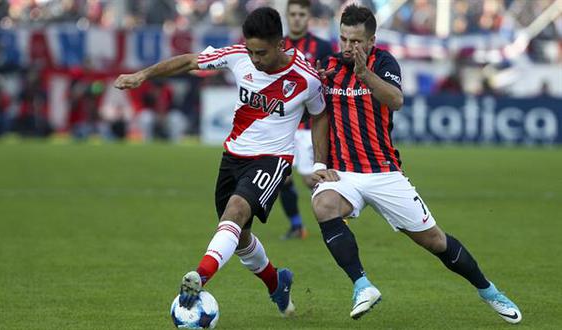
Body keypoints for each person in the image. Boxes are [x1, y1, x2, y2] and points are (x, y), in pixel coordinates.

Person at [310, 4, 522, 324]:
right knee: (323, 205)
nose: (348, 47)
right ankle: (362, 286)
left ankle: (489, 290)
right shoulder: (327, 66)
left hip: (383, 172)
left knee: (435, 241)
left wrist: (364, 73)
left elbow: (395, 100)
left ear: (371, 41)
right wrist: (318, 163)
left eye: (355, 42)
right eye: (344, 39)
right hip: (343, 173)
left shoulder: (383, 63)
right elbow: (320, 117)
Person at [114, 7, 326, 317]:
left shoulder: (306, 77)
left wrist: (319, 163)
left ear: (280, 43)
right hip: (233, 157)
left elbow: (320, 114)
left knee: (236, 211)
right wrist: (142, 75)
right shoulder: (238, 55)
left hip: (272, 160)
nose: (255, 59)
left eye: (262, 53)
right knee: (238, 237)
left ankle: (198, 277)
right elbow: (189, 61)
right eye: (251, 51)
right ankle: (276, 284)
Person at [279, 0, 334, 240]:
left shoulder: (321, 46)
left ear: (308, 16)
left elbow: (331, 80)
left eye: (301, 14)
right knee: (281, 176)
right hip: (283, 123)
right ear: (287, 16)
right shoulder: (277, 45)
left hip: (310, 124)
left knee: (311, 178)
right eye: (293, 14)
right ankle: (296, 226)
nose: (297, 18)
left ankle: (336, 217)